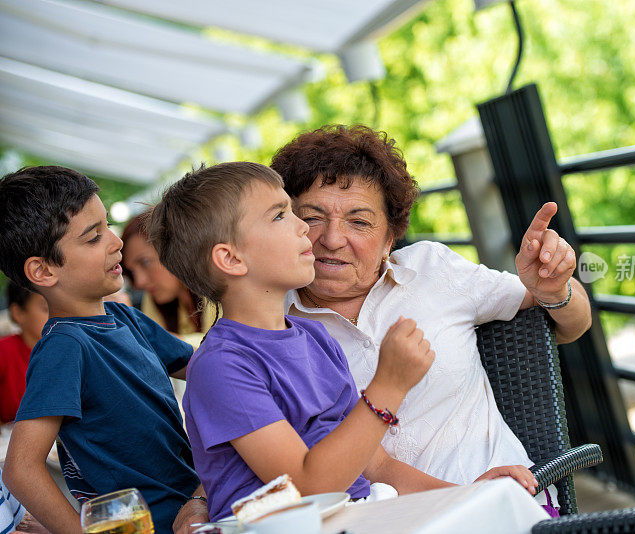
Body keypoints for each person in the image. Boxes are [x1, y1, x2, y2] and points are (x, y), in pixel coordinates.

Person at [148, 162, 538, 522]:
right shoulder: (222, 365)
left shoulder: (315, 338)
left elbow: (377, 466)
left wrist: (471, 496)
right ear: (231, 260)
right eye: (281, 215)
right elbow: (307, 487)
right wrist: (389, 385)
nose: (303, 226)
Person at [272, 125, 593, 514]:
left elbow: (573, 323)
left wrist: (554, 288)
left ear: (390, 237)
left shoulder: (433, 271)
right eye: (313, 217)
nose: (333, 238)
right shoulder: (273, 324)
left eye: (359, 221)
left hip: (504, 502)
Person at [0, 166, 208, 533]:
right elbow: (20, 469)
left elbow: (207, 369)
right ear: (43, 271)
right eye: (94, 237)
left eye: (107, 225)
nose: (117, 242)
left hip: (196, 504)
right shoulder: (63, 347)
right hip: (150, 524)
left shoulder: (124, 317)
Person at [121, 213, 214, 345]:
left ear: (175, 249)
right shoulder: (152, 298)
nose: (139, 281)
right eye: (132, 272)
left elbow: (232, 347)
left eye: (145, 262)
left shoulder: (219, 285)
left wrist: (167, 342)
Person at [0, 281, 48, 425]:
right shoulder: (5, 352)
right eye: (46, 308)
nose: (57, 314)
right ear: (18, 313)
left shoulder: (71, 352)